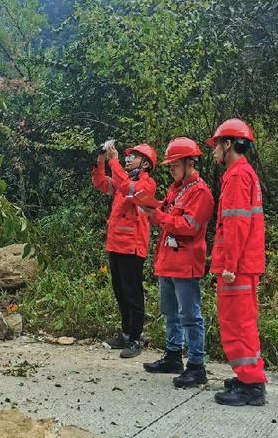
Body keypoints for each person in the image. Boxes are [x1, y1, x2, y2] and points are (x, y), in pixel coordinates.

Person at [142, 138, 214, 388]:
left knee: (190, 315)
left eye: (174, 165)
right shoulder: (176, 189)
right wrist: (151, 211)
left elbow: (189, 227)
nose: (171, 170)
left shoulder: (200, 192)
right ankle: (173, 355)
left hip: (186, 262)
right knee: (170, 311)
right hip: (168, 260)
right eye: (170, 166)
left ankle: (196, 365)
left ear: (189, 163)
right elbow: (166, 215)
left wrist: (159, 217)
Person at [206, 118, 267, 406]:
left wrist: (230, 264)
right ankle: (247, 377)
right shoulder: (243, 173)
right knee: (242, 322)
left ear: (228, 144)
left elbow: (236, 224)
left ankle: (251, 385)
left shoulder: (237, 176)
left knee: (237, 323)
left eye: (216, 145)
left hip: (238, 266)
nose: (214, 151)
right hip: (244, 263)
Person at [92, 142, 157, 358]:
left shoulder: (146, 184)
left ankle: (136, 338)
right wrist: (101, 160)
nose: (128, 159)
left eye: (134, 157)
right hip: (116, 244)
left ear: (145, 164)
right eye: (128, 156)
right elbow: (101, 183)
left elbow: (128, 188)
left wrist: (114, 161)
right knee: (120, 291)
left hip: (132, 246)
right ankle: (126, 333)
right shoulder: (124, 181)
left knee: (132, 293)